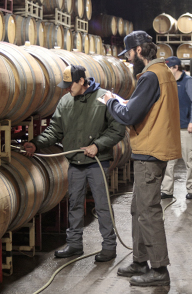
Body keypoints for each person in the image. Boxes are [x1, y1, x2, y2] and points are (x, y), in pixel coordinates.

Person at [23, 64, 125, 262]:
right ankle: (74, 245)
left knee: (102, 205)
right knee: (75, 205)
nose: (67, 88)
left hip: (97, 162)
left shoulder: (105, 98)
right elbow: (55, 130)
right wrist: (36, 144)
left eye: (71, 84)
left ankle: (109, 246)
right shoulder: (65, 101)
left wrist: (97, 145)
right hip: (76, 163)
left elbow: (117, 129)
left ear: (81, 81)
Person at [103, 31, 181, 287]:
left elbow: (128, 116)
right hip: (153, 147)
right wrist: (123, 102)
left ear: (138, 51)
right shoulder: (164, 72)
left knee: (148, 212)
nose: (128, 59)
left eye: (128, 54)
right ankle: (140, 260)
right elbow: (143, 107)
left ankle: (159, 269)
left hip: (151, 151)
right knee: (138, 208)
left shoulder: (150, 76)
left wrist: (109, 102)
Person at [161, 56, 192, 200]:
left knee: (190, 160)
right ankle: (166, 190)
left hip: (185, 128)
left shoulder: (188, 82)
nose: (166, 71)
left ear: (175, 68)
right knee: (168, 161)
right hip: (170, 129)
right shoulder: (168, 83)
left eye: (167, 68)